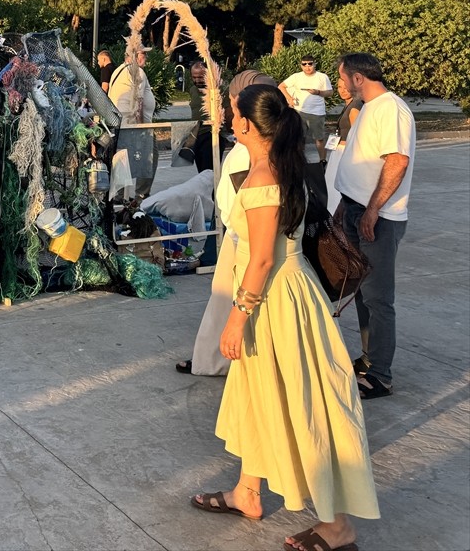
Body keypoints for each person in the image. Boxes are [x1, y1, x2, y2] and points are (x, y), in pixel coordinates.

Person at [191, 84, 378, 551]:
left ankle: (338, 526)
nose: (227, 118)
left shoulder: (262, 181)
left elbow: (260, 261)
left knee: (305, 402)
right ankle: (247, 491)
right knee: (262, 394)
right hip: (284, 296)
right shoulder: (275, 164)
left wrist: (236, 317)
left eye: (233, 113)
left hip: (274, 301)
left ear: (247, 124)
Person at [176, 70, 277, 376]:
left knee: (225, 305)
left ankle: (215, 359)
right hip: (238, 235)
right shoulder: (257, 149)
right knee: (221, 303)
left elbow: (261, 247)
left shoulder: (260, 161)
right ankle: (216, 357)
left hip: (243, 240)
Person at [334, 52, 414, 400]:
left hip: (377, 219)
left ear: (357, 78)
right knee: (364, 293)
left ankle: (380, 374)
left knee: (379, 298)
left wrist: (372, 210)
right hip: (357, 210)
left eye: (341, 78)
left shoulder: (391, 109)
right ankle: (369, 359)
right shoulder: (367, 107)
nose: (339, 84)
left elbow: (397, 161)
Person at [107, 46, 157, 194]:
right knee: (150, 157)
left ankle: (120, 196)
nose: (145, 58)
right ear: (134, 55)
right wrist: (141, 128)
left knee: (123, 159)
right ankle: (140, 195)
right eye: (143, 54)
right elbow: (138, 102)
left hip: (120, 124)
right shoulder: (137, 71)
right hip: (135, 125)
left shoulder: (118, 71)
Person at [278, 55, 332, 163]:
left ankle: (322, 161)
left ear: (314, 64)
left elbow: (330, 92)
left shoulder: (322, 77)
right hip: (299, 111)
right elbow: (281, 86)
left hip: (317, 113)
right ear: (301, 65)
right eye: (304, 64)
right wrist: (289, 98)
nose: (307, 67)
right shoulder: (296, 77)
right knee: (299, 138)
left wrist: (318, 92)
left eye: (310, 64)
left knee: (319, 138)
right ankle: (299, 160)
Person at [323, 75, 363, 215]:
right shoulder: (348, 104)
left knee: (336, 187)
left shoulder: (355, 106)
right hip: (339, 150)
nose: (343, 90)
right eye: (340, 87)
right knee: (331, 185)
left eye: (346, 87)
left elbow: (358, 135)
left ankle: (336, 218)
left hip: (344, 152)